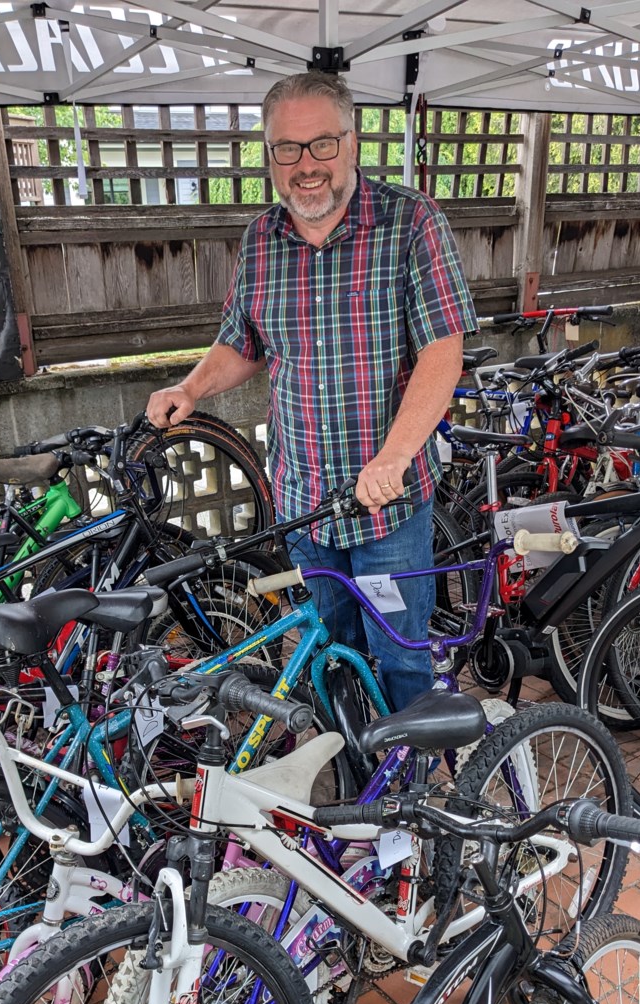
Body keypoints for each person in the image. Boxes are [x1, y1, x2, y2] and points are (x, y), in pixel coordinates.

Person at [146, 71, 477, 709]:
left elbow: (444, 351)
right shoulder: (259, 241)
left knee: (400, 653)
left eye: (322, 145)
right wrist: (190, 389)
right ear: (268, 155)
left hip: (390, 507)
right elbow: (242, 344)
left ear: (352, 144)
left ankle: (408, 794)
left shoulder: (412, 222)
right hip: (305, 505)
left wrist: (395, 455)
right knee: (329, 651)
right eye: (287, 150)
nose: (306, 166)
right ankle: (356, 781)